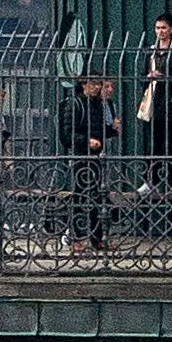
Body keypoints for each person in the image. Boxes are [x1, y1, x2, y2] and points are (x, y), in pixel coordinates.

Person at [57, 74, 117, 249]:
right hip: (80, 156)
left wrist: (111, 130)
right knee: (80, 196)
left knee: (98, 196)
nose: (98, 87)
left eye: (99, 84)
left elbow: (99, 130)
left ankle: (97, 237)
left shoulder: (97, 105)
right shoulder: (75, 104)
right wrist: (87, 141)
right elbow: (68, 135)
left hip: (96, 157)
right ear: (84, 84)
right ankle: (74, 236)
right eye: (95, 84)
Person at [139, 13, 172, 189]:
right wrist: (149, 76)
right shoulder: (151, 52)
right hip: (154, 100)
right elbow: (140, 77)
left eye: (164, 28)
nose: (160, 31)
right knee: (153, 143)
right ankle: (150, 179)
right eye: (157, 28)